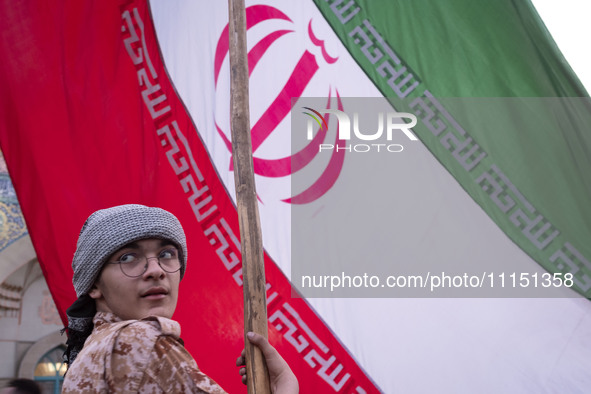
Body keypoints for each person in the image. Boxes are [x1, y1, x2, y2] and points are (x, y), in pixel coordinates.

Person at [61, 204, 298, 393]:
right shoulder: (138, 339)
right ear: (93, 284)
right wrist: (285, 386)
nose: (155, 270)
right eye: (127, 257)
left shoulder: (91, 352)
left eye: (166, 254)